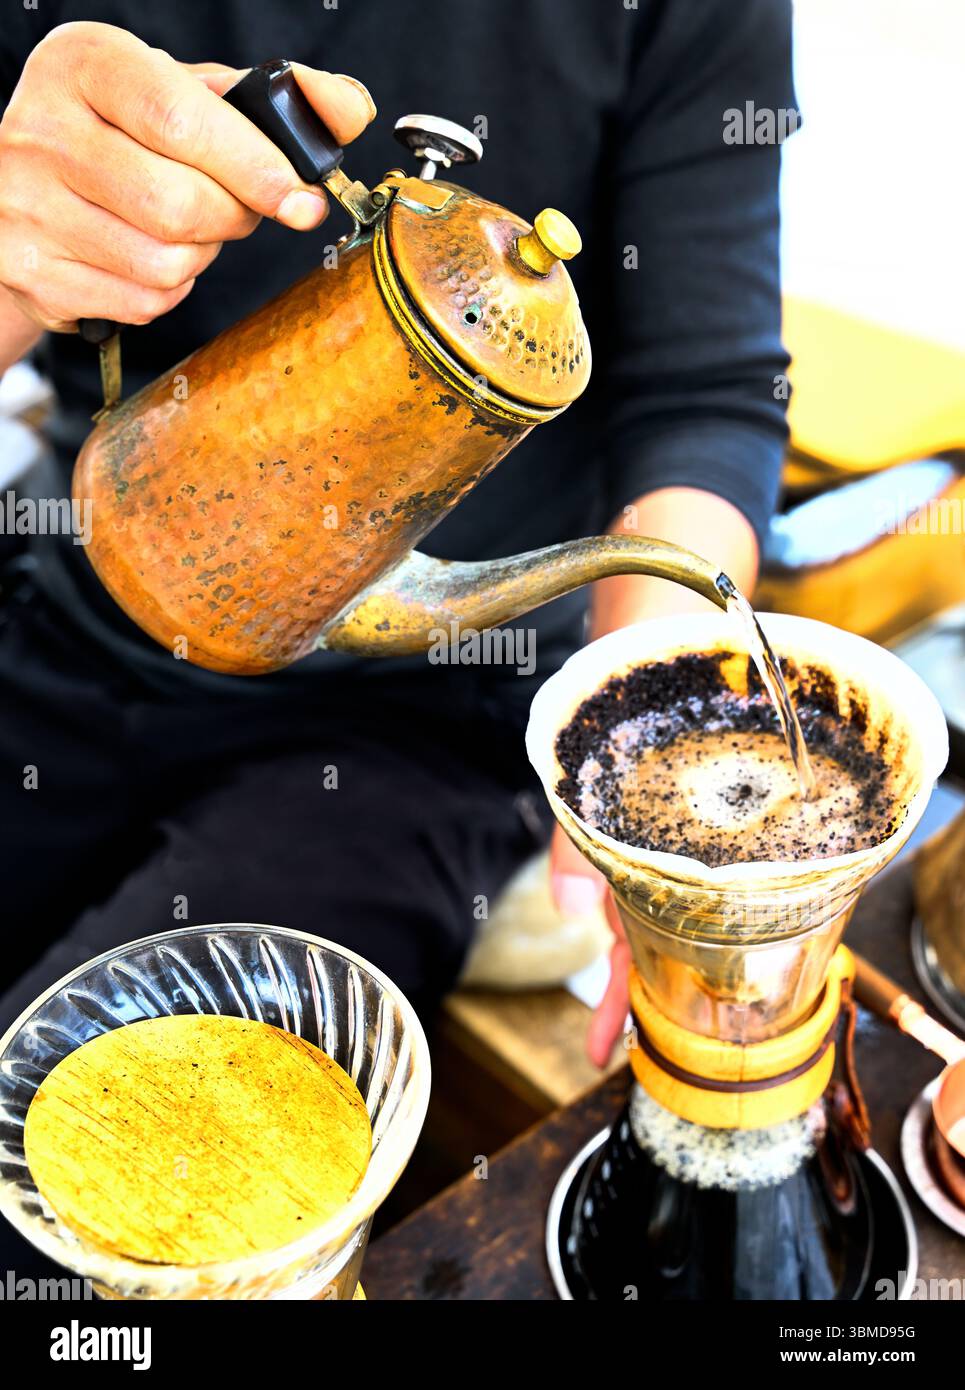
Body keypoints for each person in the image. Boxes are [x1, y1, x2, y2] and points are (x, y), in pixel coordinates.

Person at [0, 1, 792, 1133]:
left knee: (103, 1145)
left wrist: (635, 756)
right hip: (72, 608)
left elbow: (699, 398)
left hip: (415, 726)